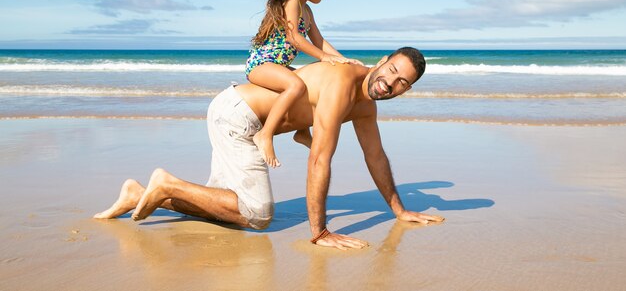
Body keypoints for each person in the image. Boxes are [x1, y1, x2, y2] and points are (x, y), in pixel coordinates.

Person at [94, 47, 445, 250]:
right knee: (258, 215)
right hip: (237, 117)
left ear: (406, 90)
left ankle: (139, 194)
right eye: (393, 70)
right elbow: (320, 158)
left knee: (220, 207)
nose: (391, 83)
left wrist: (399, 210)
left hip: (244, 119)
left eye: (403, 82)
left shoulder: (366, 105)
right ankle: (167, 184)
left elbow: (375, 157)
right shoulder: (342, 83)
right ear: (382, 60)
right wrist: (319, 231)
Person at [246, 0, 362, 168]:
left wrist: (343, 60)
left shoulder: (307, 10)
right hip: (260, 64)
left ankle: (301, 132)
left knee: (310, 87)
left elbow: (319, 40)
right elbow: (294, 38)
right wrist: (324, 58)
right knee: (295, 85)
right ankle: (265, 134)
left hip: (278, 64)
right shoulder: (292, 0)